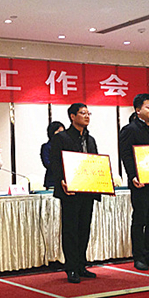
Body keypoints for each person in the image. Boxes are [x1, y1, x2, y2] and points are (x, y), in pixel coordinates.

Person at [50, 103, 101, 283]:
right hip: (70, 191)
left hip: (87, 190)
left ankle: (81, 264)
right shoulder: (61, 138)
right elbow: (55, 162)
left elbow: (95, 162)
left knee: (84, 228)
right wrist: (61, 181)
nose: (87, 116)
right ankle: (71, 267)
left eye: (88, 113)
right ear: (72, 116)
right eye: (82, 113)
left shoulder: (90, 139)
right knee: (71, 229)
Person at [119, 93, 149, 271]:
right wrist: (132, 175)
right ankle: (138, 256)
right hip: (140, 183)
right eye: (148, 107)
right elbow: (126, 155)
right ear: (137, 110)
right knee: (140, 219)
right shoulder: (129, 130)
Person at [40, 121, 65, 189]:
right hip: (52, 181)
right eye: (59, 132)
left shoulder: (66, 146)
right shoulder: (46, 147)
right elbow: (47, 163)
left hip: (66, 180)